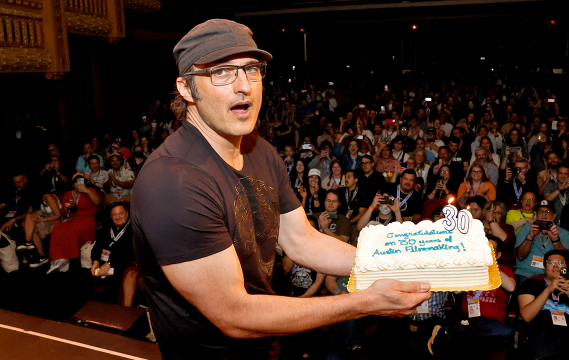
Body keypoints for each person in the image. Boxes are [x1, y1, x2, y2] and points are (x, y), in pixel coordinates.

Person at [132, 19, 431, 360]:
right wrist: (368, 302)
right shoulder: (172, 182)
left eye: (252, 70)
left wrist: (390, 262)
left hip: (263, 346)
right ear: (186, 89)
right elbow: (235, 316)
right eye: (222, 72)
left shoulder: (259, 149)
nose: (244, 85)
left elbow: (301, 240)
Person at [428, 237, 516, 357]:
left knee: (507, 332)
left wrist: (491, 266)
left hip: (492, 325)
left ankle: (449, 332)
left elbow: (511, 287)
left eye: (491, 249)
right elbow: (457, 291)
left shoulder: (505, 271)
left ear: (498, 255)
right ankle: (462, 336)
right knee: (469, 342)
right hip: (468, 320)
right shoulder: (471, 268)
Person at [518, 250, 569, 360]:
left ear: (567, 268)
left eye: (560, 263)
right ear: (545, 267)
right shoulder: (531, 284)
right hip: (542, 337)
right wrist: (548, 289)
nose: (555, 266)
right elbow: (526, 316)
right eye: (550, 262)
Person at [48, 173, 101, 274]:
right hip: (72, 217)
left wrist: (87, 191)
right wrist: (67, 208)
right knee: (58, 230)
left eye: (81, 181)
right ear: (73, 184)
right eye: (76, 182)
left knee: (72, 231)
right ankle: (58, 259)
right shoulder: (68, 193)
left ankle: (68, 258)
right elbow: (63, 211)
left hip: (88, 218)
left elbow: (97, 202)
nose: (79, 183)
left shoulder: (90, 190)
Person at [90, 202, 140, 307]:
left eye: (120, 213)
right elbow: (97, 248)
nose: (117, 217)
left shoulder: (134, 230)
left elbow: (127, 252)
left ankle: (119, 314)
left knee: (114, 280)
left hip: (123, 265)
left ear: (127, 213)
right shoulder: (106, 229)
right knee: (83, 278)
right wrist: (95, 262)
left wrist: (109, 263)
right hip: (104, 267)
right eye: (114, 214)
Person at [514, 200, 569, 287]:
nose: (544, 215)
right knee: (524, 285)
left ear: (554, 216)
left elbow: (567, 262)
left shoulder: (564, 233)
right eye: (540, 212)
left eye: (548, 212)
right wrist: (530, 237)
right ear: (536, 215)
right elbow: (520, 256)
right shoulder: (527, 228)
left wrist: (555, 240)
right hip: (526, 273)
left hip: (553, 276)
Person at [19, 184, 61, 267]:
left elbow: (58, 215)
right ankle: (40, 255)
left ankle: (29, 243)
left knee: (30, 224)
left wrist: (42, 220)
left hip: (56, 221)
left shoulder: (47, 197)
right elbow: (29, 213)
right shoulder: (39, 200)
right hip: (47, 220)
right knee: (27, 222)